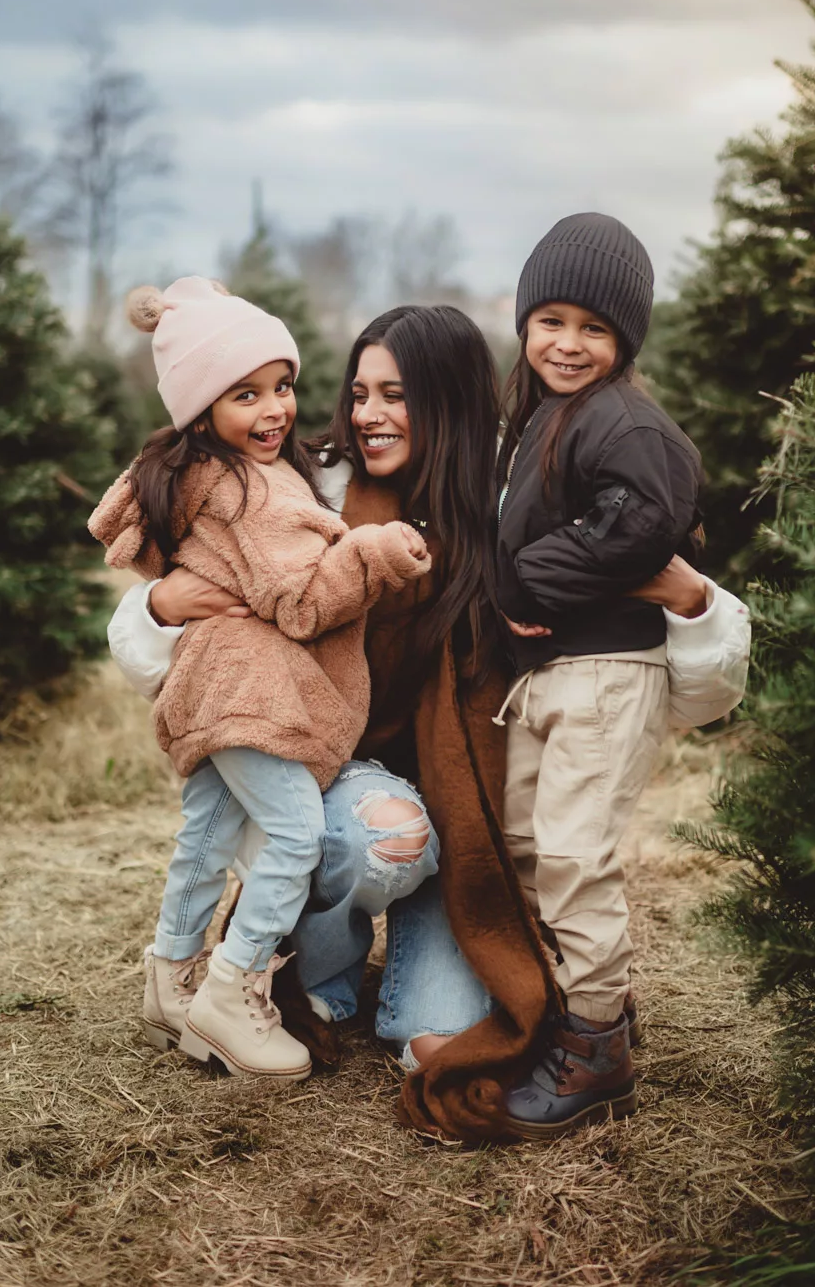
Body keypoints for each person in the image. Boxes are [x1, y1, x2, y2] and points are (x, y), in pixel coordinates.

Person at [108, 301, 713, 1141]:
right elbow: (184, 660)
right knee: (387, 836)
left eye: (397, 395)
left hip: (467, 812)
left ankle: (427, 982)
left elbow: (669, 679)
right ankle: (317, 975)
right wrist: (160, 609)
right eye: (359, 393)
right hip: (336, 775)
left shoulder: (513, 511)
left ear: (450, 401)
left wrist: (694, 605)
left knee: (441, 1049)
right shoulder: (304, 490)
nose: (368, 416)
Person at [89, 276, 430, 1084]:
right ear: (202, 409)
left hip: (214, 689)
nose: (276, 408)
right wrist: (376, 551)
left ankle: (170, 975)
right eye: (246, 394)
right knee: (293, 836)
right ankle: (229, 989)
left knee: (206, 836)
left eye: (283, 385)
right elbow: (303, 603)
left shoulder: (207, 473)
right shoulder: (258, 488)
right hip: (250, 691)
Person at [494, 212, 703, 1138]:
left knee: (574, 856)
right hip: (550, 672)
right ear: (526, 320)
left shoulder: (624, 419)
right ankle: (588, 1005)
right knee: (527, 843)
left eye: (595, 329)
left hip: (608, 670)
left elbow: (648, 518)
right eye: (553, 321)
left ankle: (597, 1050)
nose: (569, 344)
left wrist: (528, 578)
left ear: (623, 342)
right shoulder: (540, 414)